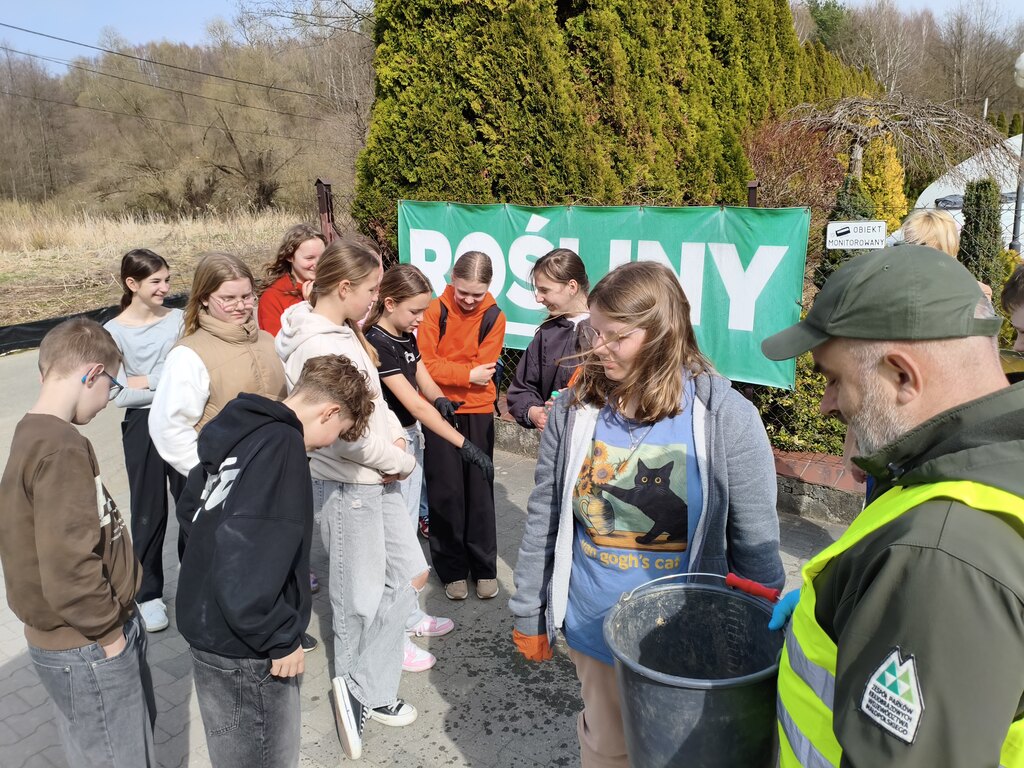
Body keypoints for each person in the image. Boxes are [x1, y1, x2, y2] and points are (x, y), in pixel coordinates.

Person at [510, 261, 784, 768]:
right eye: (594, 331)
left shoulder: (726, 418)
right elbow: (544, 516)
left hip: (691, 639)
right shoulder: (572, 412)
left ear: (662, 334)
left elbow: (756, 544)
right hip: (594, 631)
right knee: (607, 751)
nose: (598, 347)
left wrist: (759, 642)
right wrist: (530, 608)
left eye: (617, 336)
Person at [762, 245, 1024, 767]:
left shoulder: (940, 555)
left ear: (903, 376)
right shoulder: (970, 468)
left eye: (833, 379)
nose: (825, 405)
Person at [175, 354, 375, 768]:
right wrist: (279, 637)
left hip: (207, 624)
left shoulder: (242, 431)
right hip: (248, 647)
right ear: (329, 411)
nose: (328, 444)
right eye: (337, 432)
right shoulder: (283, 445)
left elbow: (192, 509)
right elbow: (250, 550)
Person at [275, 238, 422, 761]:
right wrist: (396, 460)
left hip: (376, 474)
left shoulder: (345, 332)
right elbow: (339, 432)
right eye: (372, 289)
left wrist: (397, 439)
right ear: (344, 288)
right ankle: (361, 691)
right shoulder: (316, 345)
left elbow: (372, 404)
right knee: (357, 600)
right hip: (350, 482)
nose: (376, 298)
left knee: (408, 575)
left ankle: (369, 683)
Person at [0, 318, 157, 766]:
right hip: (89, 643)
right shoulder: (62, 448)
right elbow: (69, 564)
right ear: (92, 374)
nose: (108, 400)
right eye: (111, 387)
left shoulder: (33, 431)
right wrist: (110, 636)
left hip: (76, 641)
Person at [364, 263, 495, 672]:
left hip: (411, 439)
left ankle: (409, 616)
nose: (422, 319)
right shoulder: (376, 342)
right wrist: (463, 443)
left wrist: (440, 398)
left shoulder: (403, 334)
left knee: (405, 532)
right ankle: (392, 635)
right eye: (415, 311)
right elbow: (413, 404)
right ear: (390, 303)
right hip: (393, 444)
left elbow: (423, 380)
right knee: (397, 544)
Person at [104, 248, 186, 633]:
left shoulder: (179, 320)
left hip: (183, 419)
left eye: (167, 280)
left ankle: (197, 577)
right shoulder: (113, 332)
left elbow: (187, 376)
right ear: (132, 283)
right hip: (142, 426)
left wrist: (146, 380)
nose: (165, 288)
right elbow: (118, 393)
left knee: (193, 503)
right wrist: (165, 379)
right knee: (148, 511)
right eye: (156, 281)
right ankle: (149, 594)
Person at [418, 251, 507, 601]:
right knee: (446, 490)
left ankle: (484, 567)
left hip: (478, 410)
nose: (469, 300)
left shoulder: (495, 316)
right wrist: (467, 374)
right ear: (452, 279)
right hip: (437, 408)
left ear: (489, 287)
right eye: (464, 292)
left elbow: (485, 369)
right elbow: (425, 365)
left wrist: (454, 371)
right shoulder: (433, 310)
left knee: (480, 490)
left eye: (477, 294)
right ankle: (452, 570)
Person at [506, 247, 591, 431]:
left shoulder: (605, 331)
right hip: (553, 442)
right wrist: (533, 412)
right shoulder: (547, 333)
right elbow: (521, 389)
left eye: (544, 290)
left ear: (572, 286)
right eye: (538, 290)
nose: (538, 298)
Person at [258, 223, 327, 337]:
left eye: (323, 257)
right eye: (309, 258)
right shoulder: (273, 297)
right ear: (289, 256)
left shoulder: (331, 286)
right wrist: (310, 307)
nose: (318, 264)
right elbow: (277, 342)